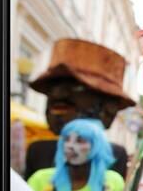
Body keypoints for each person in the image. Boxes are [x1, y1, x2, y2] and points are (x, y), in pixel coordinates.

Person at [25, 39, 134, 180]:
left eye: (76, 89)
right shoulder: (38, 152)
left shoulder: (114, 155)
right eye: (52, 91)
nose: (57, 95)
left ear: (107, 109)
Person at [28, 118, 124, 191]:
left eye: (80, 140)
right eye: (66, 139)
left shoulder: (113, 181)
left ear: (97, 147)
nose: (70, 146)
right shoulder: (41, 179)